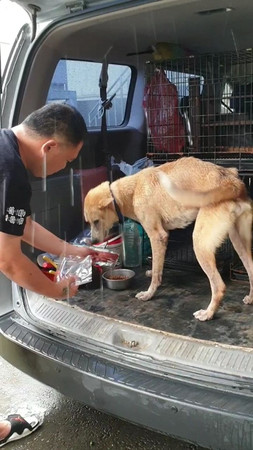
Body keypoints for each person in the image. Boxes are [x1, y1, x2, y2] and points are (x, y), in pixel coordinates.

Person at [0, 103, 95, 446]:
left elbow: (20, 226)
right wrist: (58, 291)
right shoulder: (10, 170)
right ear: (50, 147)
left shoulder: (4, 149)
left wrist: (70, 250)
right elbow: (9, 260)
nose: (62, 169)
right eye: (67, 162)